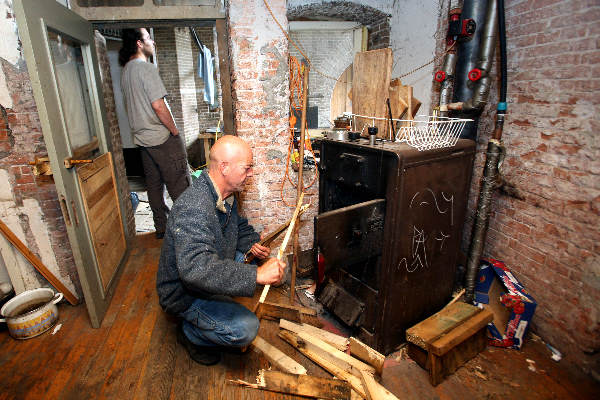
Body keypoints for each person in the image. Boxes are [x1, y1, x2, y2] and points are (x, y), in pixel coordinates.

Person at [156, 135, 287, 365]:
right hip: (184, 294)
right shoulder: (194, 207)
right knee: (246, 329)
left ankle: (216, 303)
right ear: (224, 167)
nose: (251, 173)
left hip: (208, 266)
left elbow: (238, 226)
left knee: (247, 261)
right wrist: (257, 275)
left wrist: (252, 245)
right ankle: (190, 333)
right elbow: (195, 270)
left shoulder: (224, 194)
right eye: (247, 168)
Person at [119, 28, 190, 239]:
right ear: (139, 44)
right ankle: (190, 231)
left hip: (143, 141)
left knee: (154, 185)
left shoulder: (126, 72)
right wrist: (174, 132)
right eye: (149, 38)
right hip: (161, 138)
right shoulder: (146, 69)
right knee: (181, 185)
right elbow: (158, 106)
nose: (153, 42)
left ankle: (162, 228)